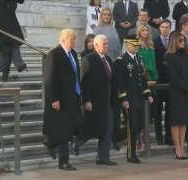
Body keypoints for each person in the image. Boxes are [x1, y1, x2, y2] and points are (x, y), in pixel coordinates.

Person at [73, 35, 118, 166]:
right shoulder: (89, 59)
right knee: (90, 126)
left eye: (107, 43)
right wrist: (87, 100)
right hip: (94, 101)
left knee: (108, 129)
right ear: (96, 45)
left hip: (108, 100)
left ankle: (103, 157)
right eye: (104, 44)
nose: (106, 46)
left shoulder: (109, 59)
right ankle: (76, 144)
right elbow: (85, 81)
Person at [42, 28, 81, 170]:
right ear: (63, 40)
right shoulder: (54, 54)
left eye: (75, 39)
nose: (74, 41)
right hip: (61, 98)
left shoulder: (74, 54)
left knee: (73, 125)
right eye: (72, 39)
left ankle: (50, 142)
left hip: (73, 96)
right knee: (64, 130)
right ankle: (63, 161)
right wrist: (54, 98)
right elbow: (50, 78)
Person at [114, 34, 153, 164]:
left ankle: (116, 137)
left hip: (139, 98)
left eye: (137, 45)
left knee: (140, 124)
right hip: (128, 98)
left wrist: (147, 93)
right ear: (127, 45)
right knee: (132, 125)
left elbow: (142, 78)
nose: (136, 47)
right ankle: (131, 155)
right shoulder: (121, 60)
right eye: (134, 45)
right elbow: (119, 82)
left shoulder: (139, 59)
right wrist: (123, 98)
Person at [165, 32, 188, 160]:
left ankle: (182, 146)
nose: (183, 42)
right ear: (175, 42)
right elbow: (173, 76)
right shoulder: (170, 56)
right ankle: (177, 146)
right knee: (176, 121)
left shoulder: (186, 56)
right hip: (177, 91)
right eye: (180, 40)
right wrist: (185, 87)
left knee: (184, 121)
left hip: (187, 91)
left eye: (183, 40)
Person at [135, 22, 159, 149]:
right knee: (141, 113)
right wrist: (146, 79)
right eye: (143, 30)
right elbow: (139, 65)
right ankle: (139, 139)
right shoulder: (137, 46)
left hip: (153, 82)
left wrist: (154, 78)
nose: (145, 32)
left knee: (149, 114)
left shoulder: (151, 45)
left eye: (147, 30)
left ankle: (145, 138)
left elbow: (153, 62)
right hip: (143, 81)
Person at [153, 19, 173, 146]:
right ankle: (158, 135)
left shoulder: (173, 42)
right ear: (159, 28)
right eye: (163, 27)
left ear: (170, 28)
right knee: (158, 110)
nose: (165, 29)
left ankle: (169, 135)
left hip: (170, 80)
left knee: (170, 111)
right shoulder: (154, 43)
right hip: (159, 80)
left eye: (167, 27)